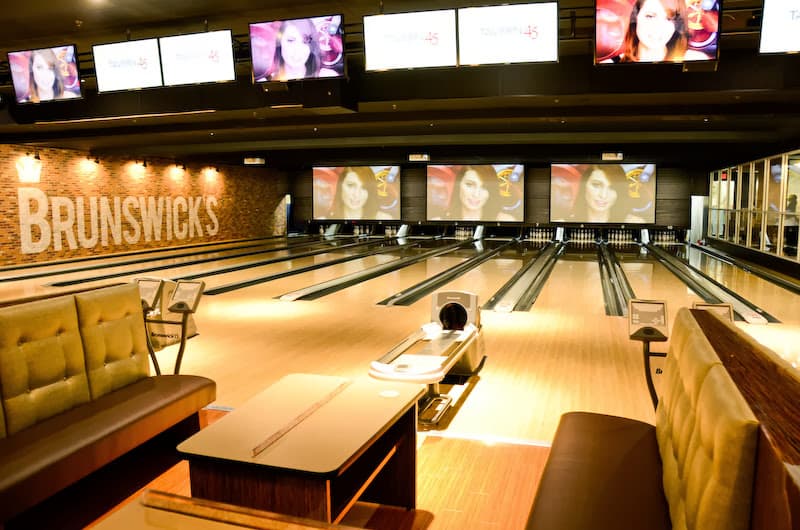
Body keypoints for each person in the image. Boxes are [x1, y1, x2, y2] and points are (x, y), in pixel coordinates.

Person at [604, 0, 709, 63]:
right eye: (650, 16)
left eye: (669, 18)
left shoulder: (694, 59)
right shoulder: (608, 66)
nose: (659, 27)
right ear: (635, 18)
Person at [268, 19, 341, 81]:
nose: (298, 49)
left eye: (305, 42)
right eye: (290, 40)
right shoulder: (271, 81)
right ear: (280, 43)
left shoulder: (326, 76)